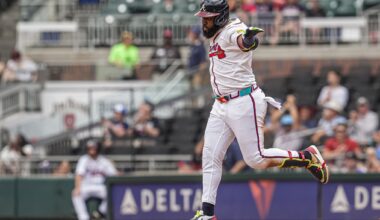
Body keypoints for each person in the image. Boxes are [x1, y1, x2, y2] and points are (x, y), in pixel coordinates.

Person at [191, 1, 329, 219]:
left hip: (244, 101)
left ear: (219, 17)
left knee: (255, 159)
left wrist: (248, 40)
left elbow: (244, 40)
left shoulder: (232, 30)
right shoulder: (217, 33)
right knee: (210, 157)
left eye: (208, 17)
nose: (204, 20)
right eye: (203, 16)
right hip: (221, 104)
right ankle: (207, 214)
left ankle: (307, 157)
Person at [72, 140, 117, 220]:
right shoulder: (84, 159)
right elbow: (79, 175)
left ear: (98, 148)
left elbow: (114, 174)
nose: (91, 150)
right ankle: (83, 217)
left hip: (100, 187)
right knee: (76, 194)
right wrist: (78, 188)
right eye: (89, 148)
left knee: (112, 194)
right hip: (86, 186)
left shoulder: (104, 161)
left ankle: (100, 212)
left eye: (93, 148)